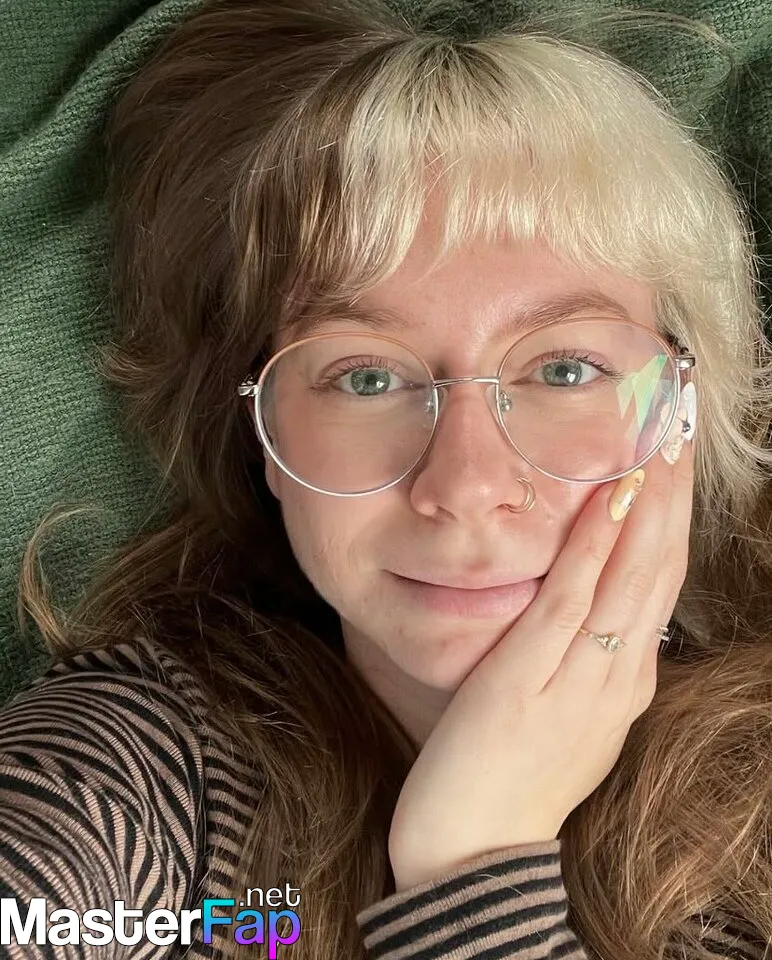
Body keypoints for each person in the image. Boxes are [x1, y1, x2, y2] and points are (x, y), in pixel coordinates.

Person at [2, 0, 772, 957]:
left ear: (686, 409)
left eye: (565, 369)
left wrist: (470, 860)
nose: (467, 483)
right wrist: (479, 869)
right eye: (367, 377)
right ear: (263, 434)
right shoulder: (127, 774)